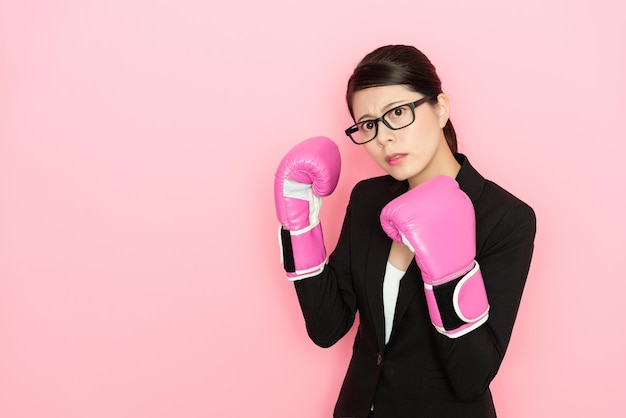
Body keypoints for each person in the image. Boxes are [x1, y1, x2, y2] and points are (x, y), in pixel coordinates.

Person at [273, 44, 536, 418]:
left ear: (440, 108)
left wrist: (449, 274)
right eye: (368, 124)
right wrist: (300, 228)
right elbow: (327, 327)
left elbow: (472, 378)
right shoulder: (367, 199)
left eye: (397, 113)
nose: (383, 138)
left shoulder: (506, 218)